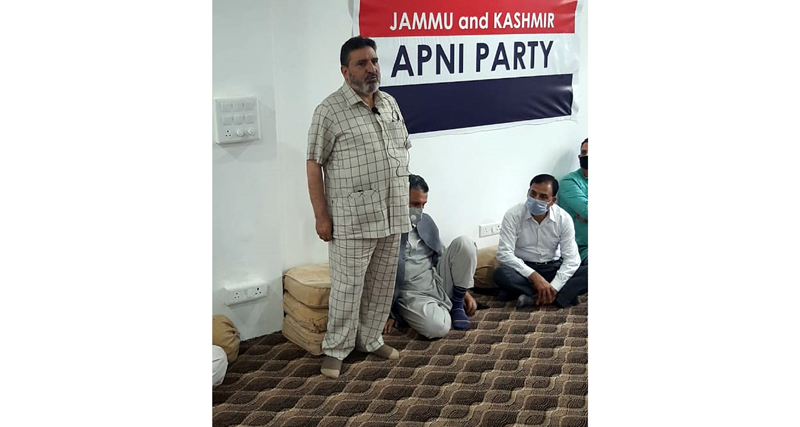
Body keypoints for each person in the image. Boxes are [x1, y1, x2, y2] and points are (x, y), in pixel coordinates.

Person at [306, 36, 411, 379]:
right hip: (352, 219)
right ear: (345, 70)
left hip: (392, 213)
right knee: (348, 288)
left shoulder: (391, 103)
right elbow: (313, 164)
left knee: (381, 285)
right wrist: (322, 216)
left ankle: (370, 339)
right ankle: (335, 349)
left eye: (374, 61)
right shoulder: (329, 111)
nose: (371, 69)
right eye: (362, 63)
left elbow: (403, 150)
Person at [383, 174, 478, 339]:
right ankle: (431, 310)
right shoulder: (384, 230)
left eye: (423, 205)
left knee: (465, 244)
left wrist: (463, 292)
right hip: (410, 293)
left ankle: (456, 304)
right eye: (414, 204)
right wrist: (386, 313)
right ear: (399, 199)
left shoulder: (425, 221)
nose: (419, 210)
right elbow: (376, 276)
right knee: (438, 328)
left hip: (436, 280)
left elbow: (441, 254)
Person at [493, 174, 588, 309]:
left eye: (543, 196)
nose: (536, 199)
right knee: (501, 274)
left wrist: (555, 285)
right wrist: (534, 276)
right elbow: (504, 254)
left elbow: (572, 259)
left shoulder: (563, 219)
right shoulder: (513, 215)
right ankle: (562, 296)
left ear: (553, 200)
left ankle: (534, 297)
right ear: (528, 192)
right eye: (533, 193)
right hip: (524, 269)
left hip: (553, 267)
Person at [558, 138, 588, 262]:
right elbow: (587, 211)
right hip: (582, 248)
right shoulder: (569, 182)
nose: (587, 156)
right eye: (584, 152)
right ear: (579, 156)